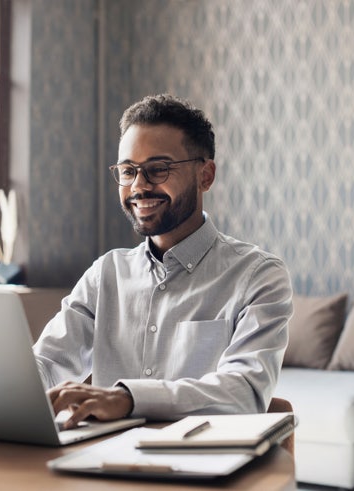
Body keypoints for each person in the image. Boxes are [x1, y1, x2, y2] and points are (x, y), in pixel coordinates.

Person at [33, 93, 293, 429]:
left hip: (204, 471)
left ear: (206, 176)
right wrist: (2, 387)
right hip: (101, 465)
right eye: (128, 171)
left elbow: (244, 391)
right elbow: (47, 362)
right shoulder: (106, 275)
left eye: (158, 169)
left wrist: (128, 399)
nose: (139, 186)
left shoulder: (259, 276)